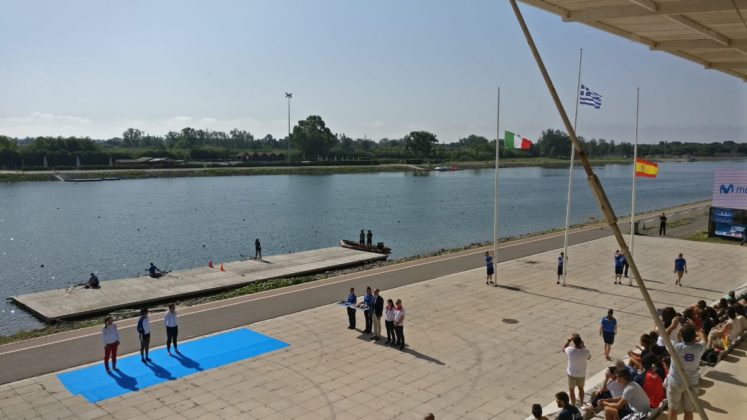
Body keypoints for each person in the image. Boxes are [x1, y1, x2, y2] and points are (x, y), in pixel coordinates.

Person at [666, 324, 705, 420]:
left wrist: (673, 325)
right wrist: (697, 328)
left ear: (682, 336)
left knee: (673, 409)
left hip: (676, 382)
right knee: (689, 410)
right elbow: (704, 338)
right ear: (694, 336)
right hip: (692, 382)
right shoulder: (699, 348)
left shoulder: (676, 347)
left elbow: (664, 336)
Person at [564, 333, 592, 406]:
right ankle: (582, 403)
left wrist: (568, 341)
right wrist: (583, 347)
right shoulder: (586, 351)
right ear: (581, 342)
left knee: (571, 390)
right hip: (581, 374)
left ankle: (573, 405)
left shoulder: (570, 350)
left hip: (571, 373)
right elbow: (589, 357)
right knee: (581, 389)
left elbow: (564, 348)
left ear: (574, 342)